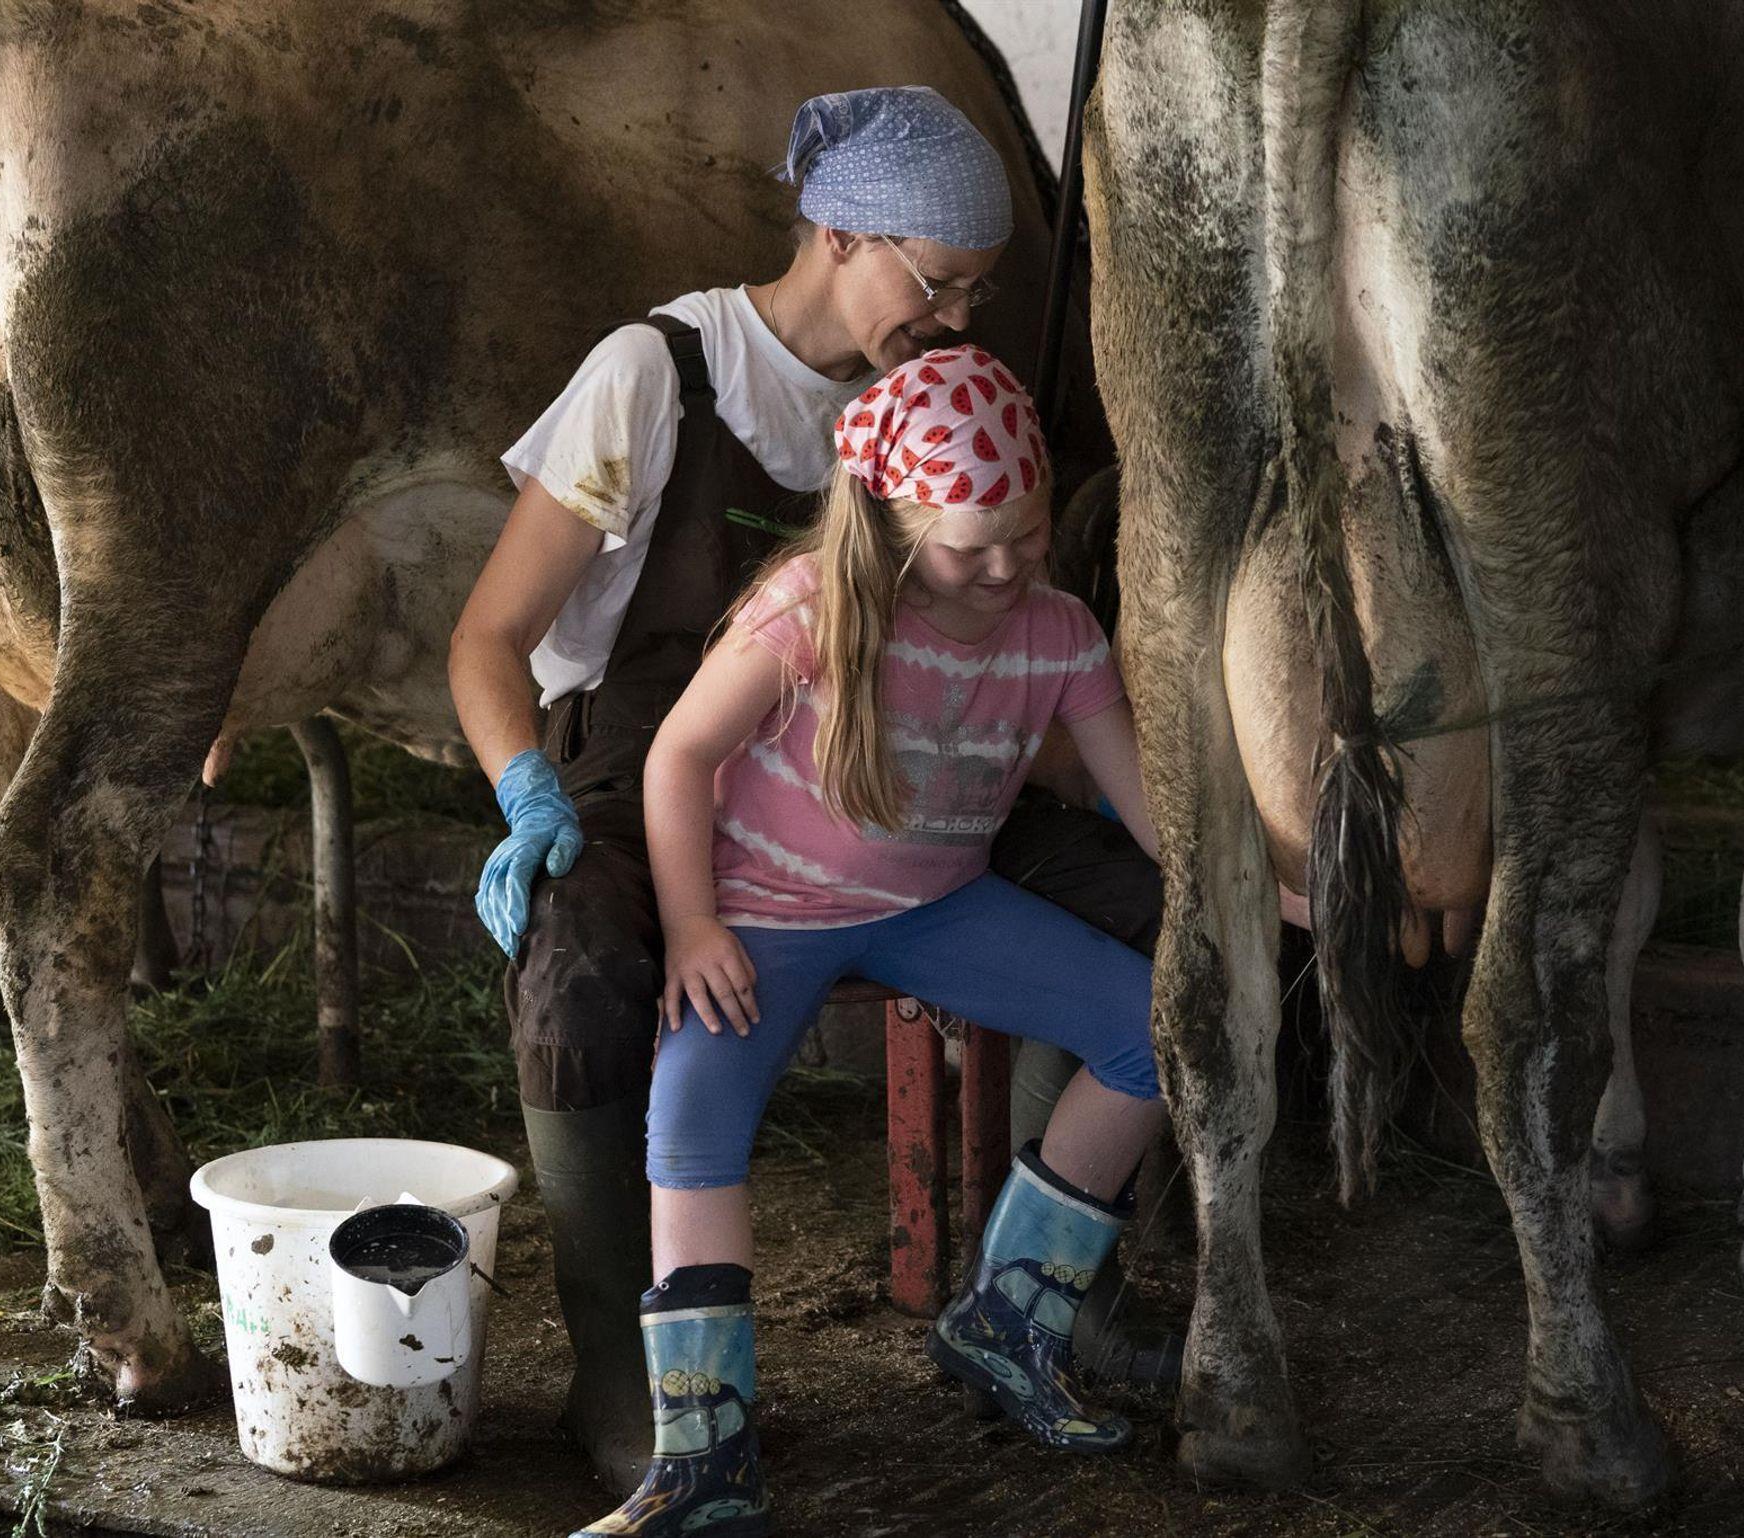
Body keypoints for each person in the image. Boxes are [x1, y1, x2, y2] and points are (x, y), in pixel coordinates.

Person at [447, 86, 1177, 1498]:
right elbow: (488, 635)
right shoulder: (658, 373)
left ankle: (1049, 1295)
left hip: (888, 779)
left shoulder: (939, 408)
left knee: (1141, 904)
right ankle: (624, 1375)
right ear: (840, 236)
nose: (956, 320)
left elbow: (1005, 636)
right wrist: (528, 793)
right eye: (937, 282)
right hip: (648, 760)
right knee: (579, 967)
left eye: (975, 292)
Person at [570, 345, 1166, 1538]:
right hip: (766, 911)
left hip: (937, 902)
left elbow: (1148, 805)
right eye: (968, 546)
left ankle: (1007, 1321)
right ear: (895, 529)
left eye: (1026, 535)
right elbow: (678, 754)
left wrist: (1257, 888)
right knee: (689, 1121)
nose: (1003, 567)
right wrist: (691, 921)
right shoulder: (807, 607)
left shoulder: (1057, 632)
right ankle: (706, 1457)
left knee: (1153, 1029)